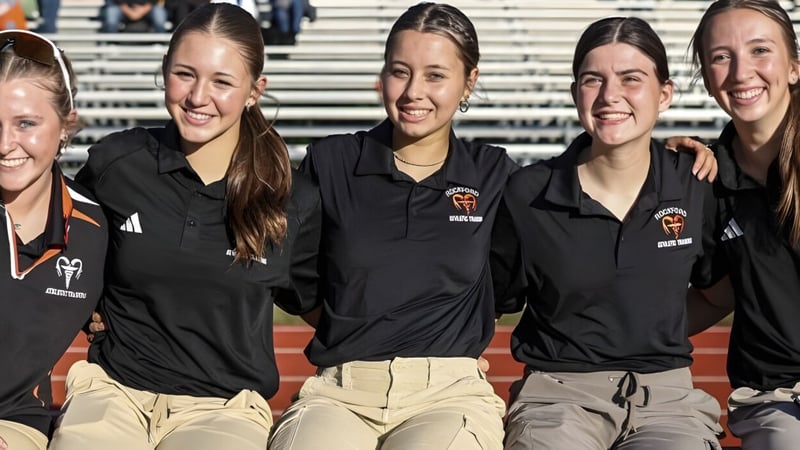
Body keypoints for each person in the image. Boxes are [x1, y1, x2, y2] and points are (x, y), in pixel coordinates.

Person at [47, 3, 321, 450]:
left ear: (255, 90)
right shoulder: (117, 163)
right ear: (164, 71)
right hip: (112, 394)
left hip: (223, 408)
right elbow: (60, 248)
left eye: (222, 81)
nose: (197, 96)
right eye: (185, 74)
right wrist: (83, 305)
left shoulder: (292, 198)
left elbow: (319, 304)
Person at [267, 3, 515, 449]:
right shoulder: (332, 160)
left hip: (450, 393)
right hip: (339, 391)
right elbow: (297, 275)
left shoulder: (493, 172)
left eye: (436, 75)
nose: (413, 92)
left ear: (469, 82)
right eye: (400, 72)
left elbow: (514, 274)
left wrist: (666, 162)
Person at [490, 17, 724, 450]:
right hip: (557, 398)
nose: (610, 96)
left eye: (631, 79)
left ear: (665, 94)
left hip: (668, 400)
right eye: (592, 79)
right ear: (575, 91)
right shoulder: (526, 194)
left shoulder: (696, 184)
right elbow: (491, 302)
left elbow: (717, 294)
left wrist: (646, 328)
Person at [677, 1, 800, 448]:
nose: (741, 71)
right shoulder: (704, 182)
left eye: (760, 50)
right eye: (721, 56)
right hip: (775, 397)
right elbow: (716, 296)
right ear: (708, 79)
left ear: (793, 68)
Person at [0, 29, 107, 450]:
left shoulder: (96, 228)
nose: (5, 144)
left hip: (20, 423)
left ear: (67, 125)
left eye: (25, 123)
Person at [100, 0, 167, 33]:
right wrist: (128, 11)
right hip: (122, 8)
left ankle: (159, 43)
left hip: (147, 8)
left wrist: (143, 10)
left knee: (159, 13)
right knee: (111, 12)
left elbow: (154, 1)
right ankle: (111, 43)